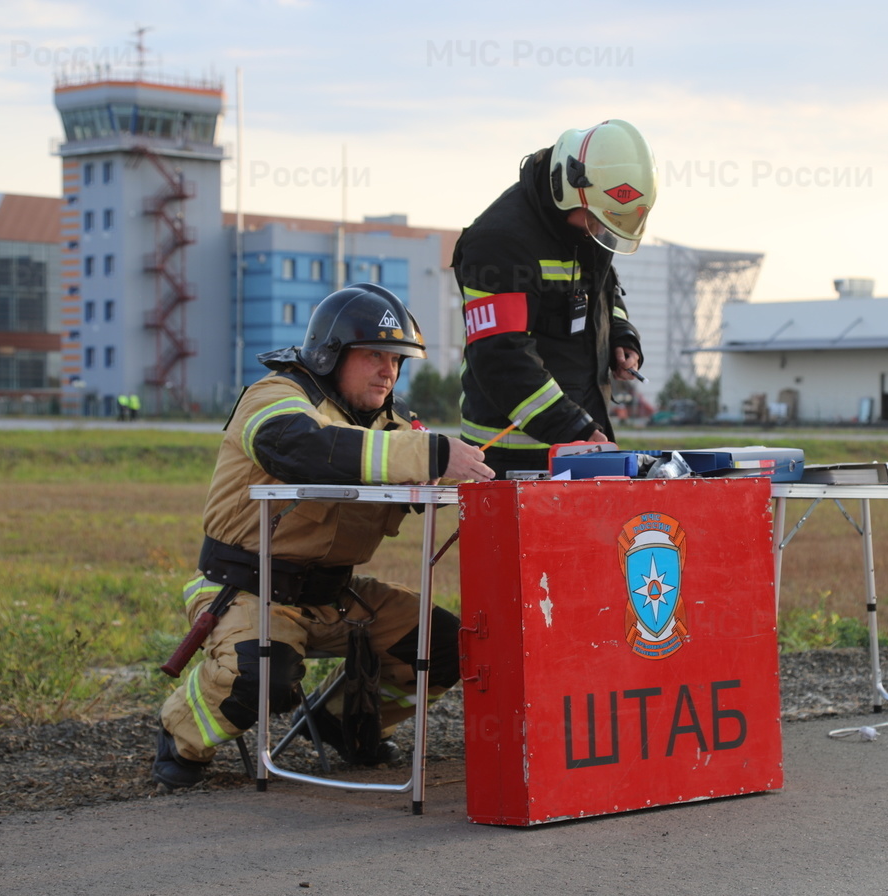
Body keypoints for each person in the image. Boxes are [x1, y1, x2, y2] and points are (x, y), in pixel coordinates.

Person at [152, 283, 494, 789]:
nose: (388, 371)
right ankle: (180, 735)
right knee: (262, 675)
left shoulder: (393, 424)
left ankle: (342, 722)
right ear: (330, 353)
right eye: (374, 355)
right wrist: (429, 456)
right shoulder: (275, 396)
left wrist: (442, 475)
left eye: (397, 360)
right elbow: (299, 446)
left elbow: (416, 460)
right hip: (248, 589)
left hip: (335, 596)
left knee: (446, 644)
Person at [451, 118, 658, 479]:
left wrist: (621, 336)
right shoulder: (499, 242)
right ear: (569, 189)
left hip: (582, 442)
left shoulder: (587, 226)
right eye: (596, 220)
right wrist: (574, 429)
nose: (601, 230)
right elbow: (501, 355)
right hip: (511, 460)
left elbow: (604, 293)